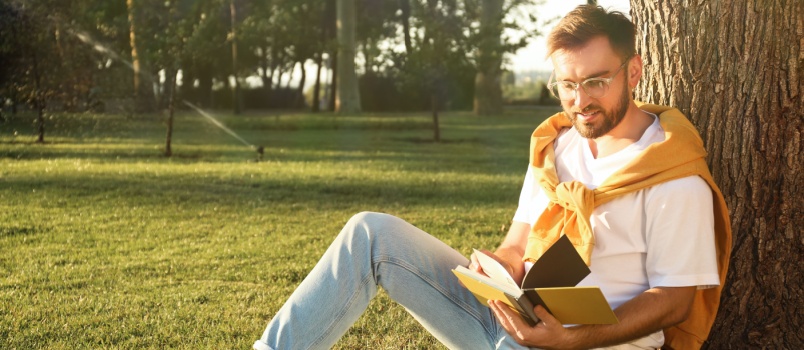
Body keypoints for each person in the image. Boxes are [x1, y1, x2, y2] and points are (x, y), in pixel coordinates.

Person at [253, 5, 731, 350]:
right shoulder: (555, 146)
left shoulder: (672, 173)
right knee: (370, 233)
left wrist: (568, 339)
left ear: (634, 71)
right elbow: (517, 246)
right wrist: (496, 268)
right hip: (507, 321)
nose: (580, 99)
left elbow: (674, 301)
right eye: (567, 84)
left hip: (590, 345)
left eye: (596, 81)